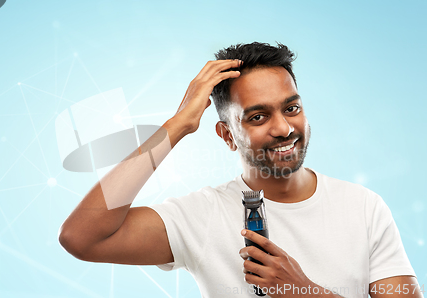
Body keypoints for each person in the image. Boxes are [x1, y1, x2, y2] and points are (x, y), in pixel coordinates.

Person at [58, 42, 421, 298]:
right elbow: (81, 237)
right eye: (258, 116)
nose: (283, 128)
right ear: (227, 135)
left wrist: (303, 292)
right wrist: (178, 125)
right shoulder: (198, 217)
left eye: (291, 108)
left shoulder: (364, 207)